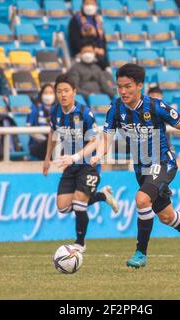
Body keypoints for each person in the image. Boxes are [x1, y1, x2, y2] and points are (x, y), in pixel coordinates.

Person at [91, 63, 180, 268]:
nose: (123, 91)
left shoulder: (156, 106)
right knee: (167, 217)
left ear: (140, 85)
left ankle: (141, 254)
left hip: (163, 162)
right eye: (119, 87)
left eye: (128, 86)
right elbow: (106, 138)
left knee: (142, 200)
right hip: (141, 169)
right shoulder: (115, 108)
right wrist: (98, 155)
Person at [43, 74, 119, 253]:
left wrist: (75, 157)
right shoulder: (55, 112)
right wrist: (47, 158)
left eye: (66, 91)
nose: (63, 94)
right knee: (63, 207)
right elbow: (52, 133)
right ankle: (102, 195)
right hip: (70, 166)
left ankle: (80, 243)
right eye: (59, 91)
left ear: (74, 92)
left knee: (79, 203)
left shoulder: (84, 112)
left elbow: (94, 141)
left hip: (88, 165)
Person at [68, 0, 109, 70]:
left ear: (96, 6)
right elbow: (74, 40)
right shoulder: (75, 20)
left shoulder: (98, 20)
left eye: (92, 3)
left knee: (105, 63)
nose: (90, 6)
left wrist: (102, 50)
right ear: (82, 5)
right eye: (87, 3)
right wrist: (93, 50)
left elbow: (103, 40)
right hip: (82, 53)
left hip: (99, 55)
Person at [27, 84, 56, 160]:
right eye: (46, 93)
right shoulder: (34, 107)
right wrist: (46, 139)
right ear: (41, 94)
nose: (48, 95)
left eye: (51, 93)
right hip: (37, 145)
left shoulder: (58, 108)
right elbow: (29, 129)